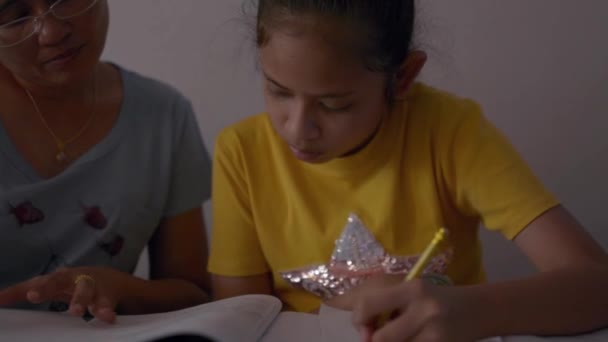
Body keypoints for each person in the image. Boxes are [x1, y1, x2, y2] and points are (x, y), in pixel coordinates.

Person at [207, 0, 608, 341]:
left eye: (334, 105)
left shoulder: (449, 132)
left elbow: (596, 285)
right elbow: (240, 319)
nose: (297, 128)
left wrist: (473, 310)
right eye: (278, 91)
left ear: (402, 77)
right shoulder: (243, 152)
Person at [0, 0, 211, 324]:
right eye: (14, 17)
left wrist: (121, 290)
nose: (53, 31)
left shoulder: (162, 116)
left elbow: (193, 294)